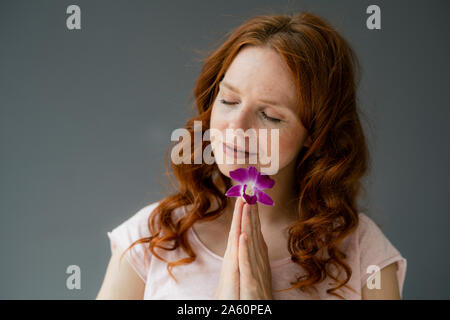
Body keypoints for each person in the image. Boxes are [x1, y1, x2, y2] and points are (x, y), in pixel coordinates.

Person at [96, 11, 407, 300]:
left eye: (270, 115)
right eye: (229, 100)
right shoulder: (152, 235)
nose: (236, 126)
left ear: (315, 134)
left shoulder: (362, 250)